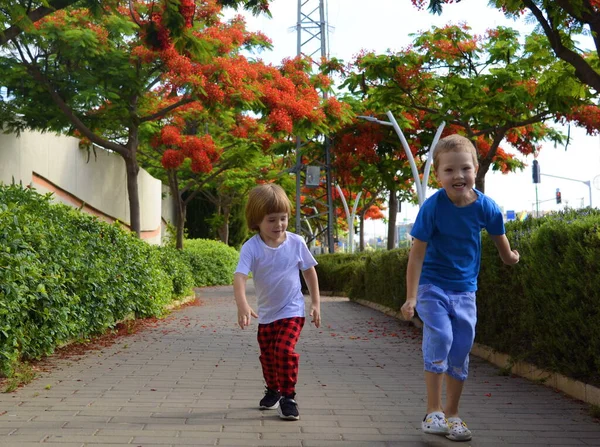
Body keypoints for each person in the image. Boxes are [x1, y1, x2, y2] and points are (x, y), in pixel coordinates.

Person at [400, 134, 520, 442]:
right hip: (432, 287)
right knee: (441, 335)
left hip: (466, 291)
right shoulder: (432, 207)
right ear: (438, 175)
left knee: (460, 349)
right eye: (449, 171)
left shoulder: (485, 206)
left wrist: (509, 257)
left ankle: (452, 415)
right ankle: (432, 411)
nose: (458, 176)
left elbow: (498, 236)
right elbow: (416, 255)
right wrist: (411, 296)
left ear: (476, 169)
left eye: (465, 169)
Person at [234, 183, 321, 421]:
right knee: (268, 355)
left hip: (293, 310)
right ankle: (273, 389)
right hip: (267, 314)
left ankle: (289, 398)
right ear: (257, 221)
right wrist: (242, 304)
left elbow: (310, 271)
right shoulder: (251, 247)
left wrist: (315, 303)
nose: (279, 225)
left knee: (283, 351)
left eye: (283, 219)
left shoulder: (296, 243)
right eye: (271, 220)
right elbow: (239, 277)